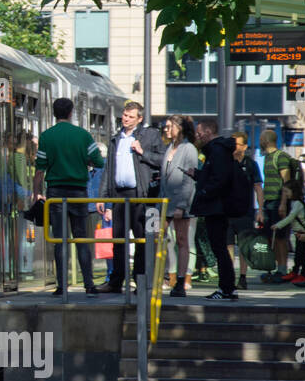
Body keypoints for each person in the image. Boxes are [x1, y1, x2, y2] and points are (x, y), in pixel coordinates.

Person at [33, 97, 104, 296]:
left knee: (60, 239)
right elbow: (98, 162)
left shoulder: (47, 136)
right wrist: (84, 160)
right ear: (71, 112)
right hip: (79, 193)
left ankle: (61, 286)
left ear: (54, 113)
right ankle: (89, 285)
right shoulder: (83, 135)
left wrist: (36, 192)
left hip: (55, 193)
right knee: (81, 238)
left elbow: (40, 169)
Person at [99, 101, 166, 293]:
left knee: (142, 239)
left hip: (142, 195)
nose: (125, 119)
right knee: (118, 239)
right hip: (120, 195)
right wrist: (104, 197)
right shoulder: (116, 138)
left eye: (130, 116)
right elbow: (108, 169)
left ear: (139, 118)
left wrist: (142, 152)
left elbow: (162, 159)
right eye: (124, 115)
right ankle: (116, 280)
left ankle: (141, 280)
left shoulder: (149, 135)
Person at [189, 118, 248, 301]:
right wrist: (198, 175)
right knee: (220, 247)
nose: (197, 136)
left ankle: (226, 288)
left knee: (219, 248)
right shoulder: (218, 151)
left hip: (217, 207)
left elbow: (220, 179)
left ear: (208, 132)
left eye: (199, 133)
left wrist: (205, 192)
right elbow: (217, 176)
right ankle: (227, 288)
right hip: (217, 205)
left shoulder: (217, 151)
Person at [161, 116, 199, 297]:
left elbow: (189, 179)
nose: (166, 129)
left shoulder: (188, 148)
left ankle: (181, 280)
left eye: (169, 126)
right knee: (161, 239)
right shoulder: (170, 148)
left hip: (179, 202)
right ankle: (165, 275)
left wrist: (182, 205)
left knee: (182, 241)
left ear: (180, 128)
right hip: (165, 201)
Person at [230, 131, 265, 290]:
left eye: (236, 144)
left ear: (244, 146)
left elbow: (258, 188)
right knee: (228, 246)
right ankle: (229, 276)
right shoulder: (225, 162)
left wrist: (260, 210)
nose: (233, 147)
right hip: (227, 211)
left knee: (243, 246)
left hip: (245, 212)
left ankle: (242, 277)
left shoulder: (251, 164)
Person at [258, 129, 293, 278]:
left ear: (266, 139)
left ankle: (283, 268)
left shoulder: (281, 156)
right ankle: (275, 266)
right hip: (269, 202)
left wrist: (283, 204)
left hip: (278, 201)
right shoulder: (267, 157)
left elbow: (287, 182)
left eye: (261, 138)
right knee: (269, 236)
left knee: (280, 237)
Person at [270, 179, 305, 284]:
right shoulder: (294, 202)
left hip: (302, 233)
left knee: (301, 255)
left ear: (293, 191)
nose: (285, 194)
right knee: (298, 254)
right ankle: (295, 271)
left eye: (286, 191)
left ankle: (303, 274)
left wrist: (278, 225)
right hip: (298, 233)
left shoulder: (297, 203)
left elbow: (290, 218)